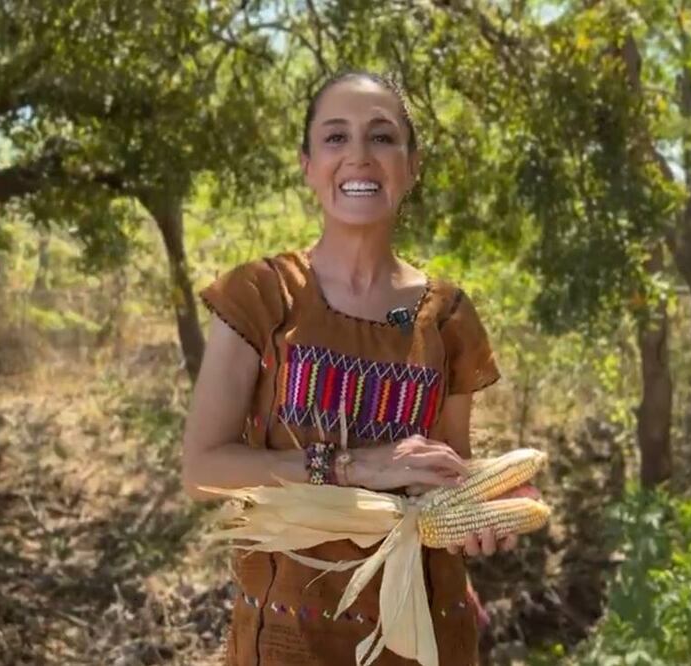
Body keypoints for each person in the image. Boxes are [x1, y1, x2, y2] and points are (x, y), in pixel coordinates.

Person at [182, 70, 534, 666]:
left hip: (422, 631)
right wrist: (355, 465)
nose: (359, 157)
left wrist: (483, 514)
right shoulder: (262, 296)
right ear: (308, 164)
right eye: (336, 138)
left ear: (411, 164)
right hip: (292, 635)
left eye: (382, 137)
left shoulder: (447, 317)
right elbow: (204, 470)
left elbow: (447, 474)